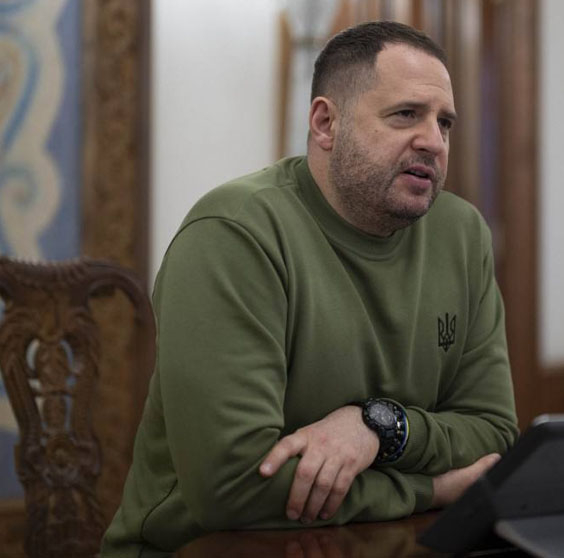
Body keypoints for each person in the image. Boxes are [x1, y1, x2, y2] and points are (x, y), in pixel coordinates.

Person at [101, 20, 518, 556]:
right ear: (326, 123)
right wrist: (431, 488)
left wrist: (378, 429)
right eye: (405, 114)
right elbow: (231, 488)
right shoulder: (234, 234)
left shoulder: (462, 233)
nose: (433, 141)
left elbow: (493, 435)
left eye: (445, 123)